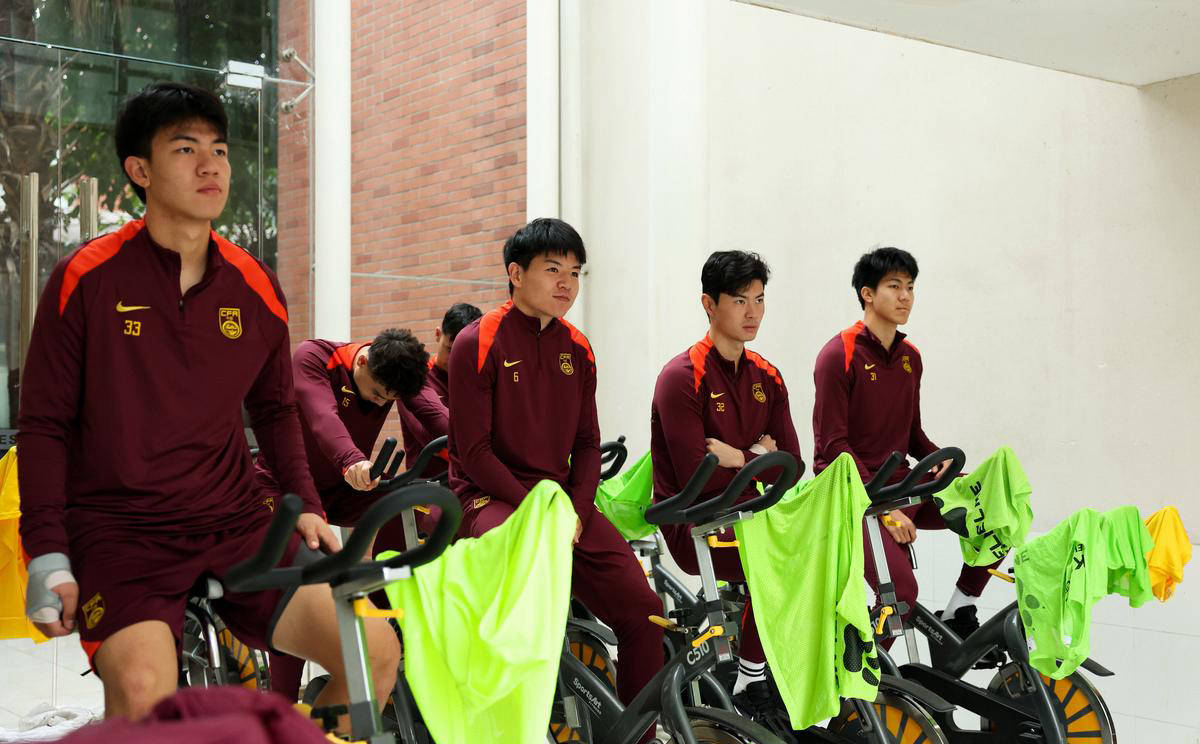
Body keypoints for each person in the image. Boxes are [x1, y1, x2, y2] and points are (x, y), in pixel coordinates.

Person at [17, 82, 398, 728]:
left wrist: (305, 502)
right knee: (144, 695)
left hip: (235, 520)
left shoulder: (255, 286)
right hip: (120, 531)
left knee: (374, 651)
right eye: (185, 149)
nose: (210, 166)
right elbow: (44, 425)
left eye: (219, 150)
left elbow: (275, 410)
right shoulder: (85, 278)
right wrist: (48, 550)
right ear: (140, 170)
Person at [447, 218, 663, 738]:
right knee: (519, 608)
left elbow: (587, 444)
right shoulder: (478, 341)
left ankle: (637, 735)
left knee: (644, 611)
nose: (566, 283)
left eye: (575, 272)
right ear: (515, 274)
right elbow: (473, 453)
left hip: (564, 504)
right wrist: (539, 510)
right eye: (553, 270)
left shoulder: (579, 348)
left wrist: (576, 510)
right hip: (490, 497)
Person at [649, 250, 803, 735]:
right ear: (709, 304)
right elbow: (698, 477)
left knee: (817, 553)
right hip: (694, 522)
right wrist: (759, 456)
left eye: (759, 299)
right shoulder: (681, 377)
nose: (753, 312)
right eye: (739, 300)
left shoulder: (767, 376)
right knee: (780, 566)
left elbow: (793, 465)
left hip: (751, 517)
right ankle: (749, 678)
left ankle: (777, 671)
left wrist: (739, 457)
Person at [812, 246, 996, 644]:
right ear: (867, 293)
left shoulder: (911, 357)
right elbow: (832, 446)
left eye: (910, 287)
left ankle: (961, 609)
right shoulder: (837, 355)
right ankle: (857, 677)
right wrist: (885, 510)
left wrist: (937, 461)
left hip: (901, 486)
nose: (905, 297)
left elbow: (912, 434)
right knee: (901, 595)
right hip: (851, 497)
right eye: (894, 286)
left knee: (995, 504)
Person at [258, 327, 442, 702]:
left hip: (342, 490)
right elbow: (322, 418)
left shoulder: (398, 373)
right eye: (377, 394)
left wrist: (483, 447)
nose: (381, 403)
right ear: (362, 361)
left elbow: (435, 413)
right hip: (282, 488)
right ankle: (282, 703)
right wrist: (352, 460)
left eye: (389, 400)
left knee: (400, 504)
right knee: (299, 581)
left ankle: (386, 621)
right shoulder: (314, 358)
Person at [397, 302, 482, 478]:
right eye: (450, 350)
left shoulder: (477, 380)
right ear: (438, 334)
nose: (454, 359)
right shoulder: (414, 377)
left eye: (463, 352)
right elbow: (430, 440)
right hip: (427, 485)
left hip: (469, 481)